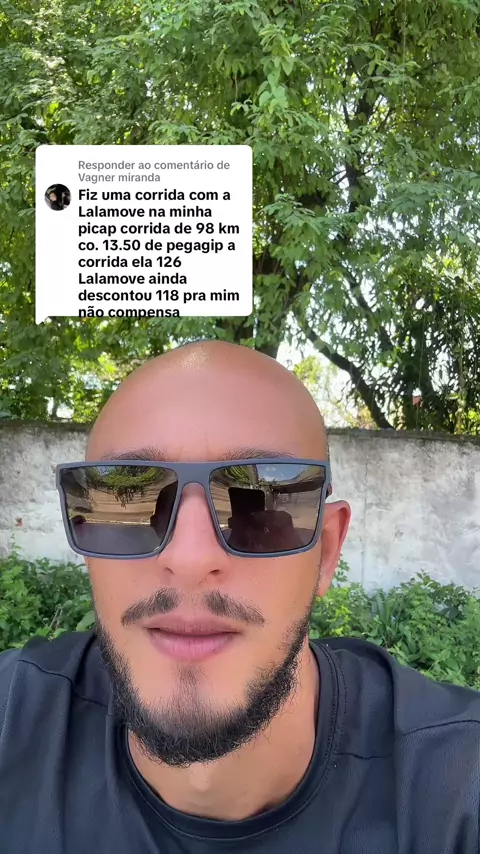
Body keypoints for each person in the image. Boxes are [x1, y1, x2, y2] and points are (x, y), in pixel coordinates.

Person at [1, 340, 479, 854]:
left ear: (326, 553)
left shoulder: (455, 791)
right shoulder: (13, 725)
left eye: (255, 506)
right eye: (136, 501)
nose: (189, 559)